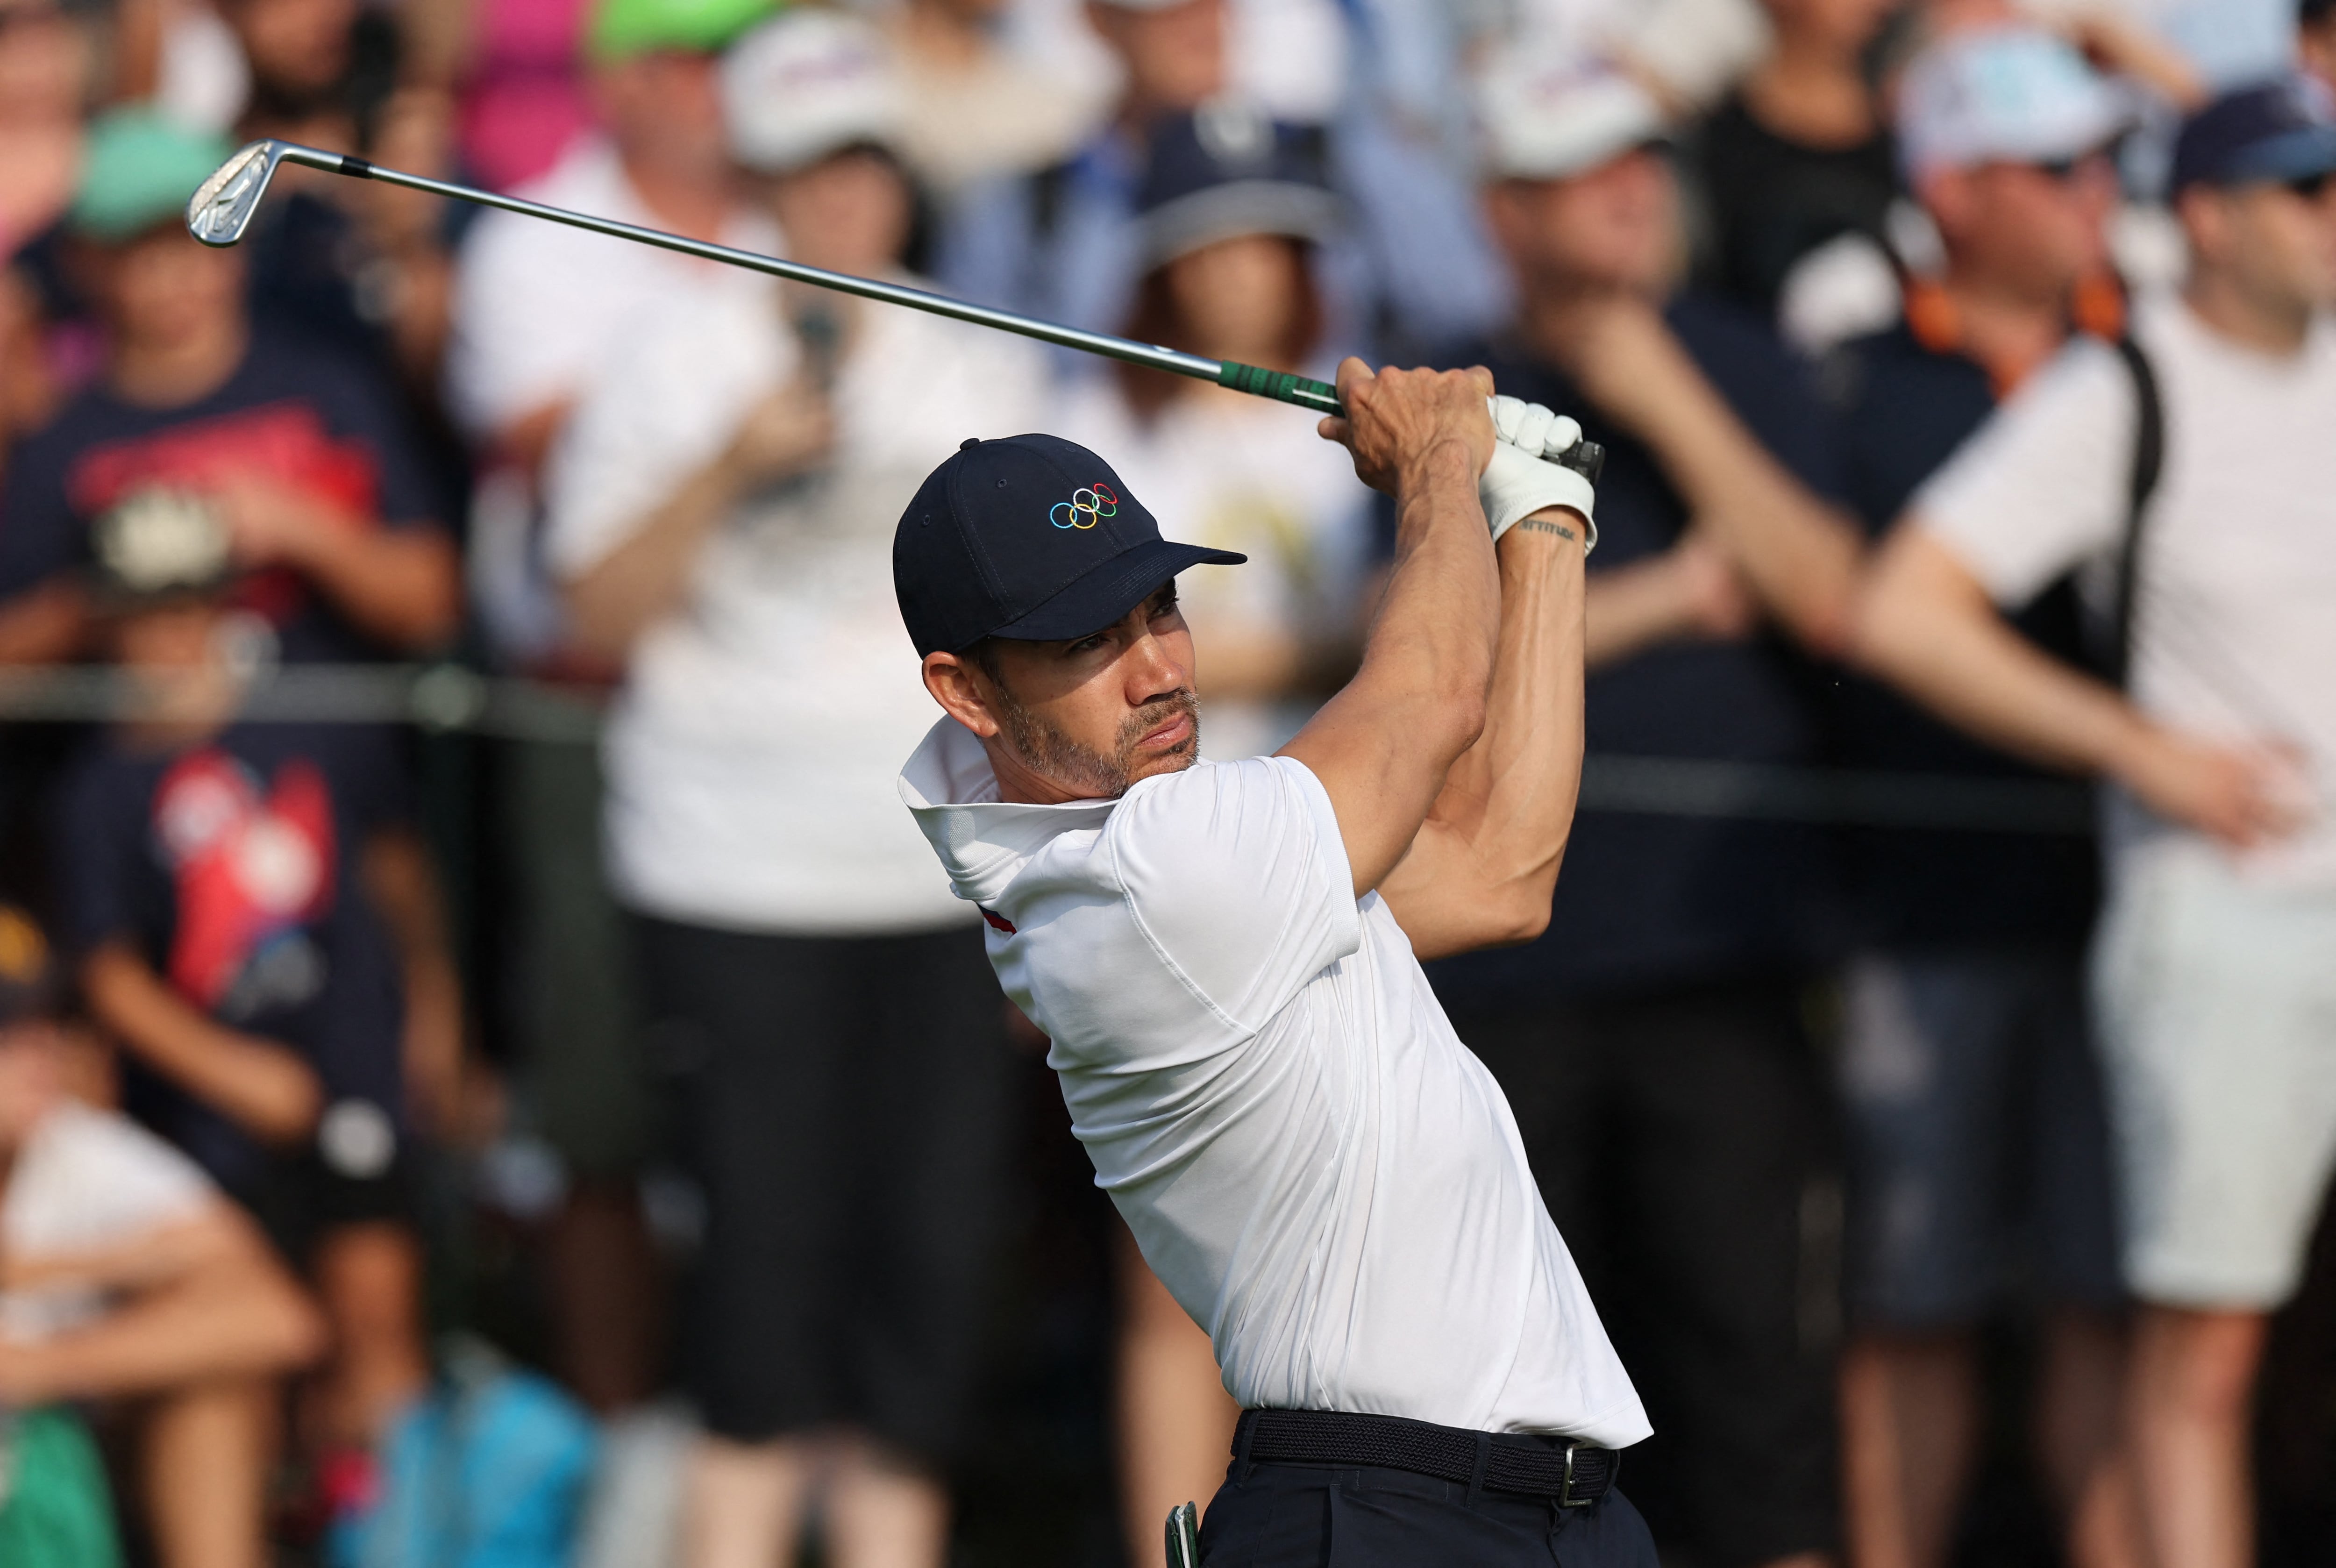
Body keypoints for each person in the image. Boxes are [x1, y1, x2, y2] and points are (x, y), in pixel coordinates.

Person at [897, 356, 1653, 1565]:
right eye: (1087, 642)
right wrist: (1440, 459)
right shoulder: (1154, 874)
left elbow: (1496, 869)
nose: (1161, 670)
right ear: (966, 690)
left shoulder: (1170, 863)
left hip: (1536, 1512)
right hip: (1381, 1516)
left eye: (1161, 609)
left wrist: (1541, 513)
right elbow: (1433, 693)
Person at [540, 14, 1047, 1566]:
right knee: (761, 1274)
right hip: (730, 871)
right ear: (757, 177)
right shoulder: (671, 361)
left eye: (867, 163)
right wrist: (724, 469)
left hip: (933, 871)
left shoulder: (979, 359)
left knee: (931, 1273)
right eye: (812, 166)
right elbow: (591, 614)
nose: (843, 198)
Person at [1852, 78, 2336, 1568]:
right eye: (2303, 189)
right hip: (2224, 913)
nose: (2332, 216)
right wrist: (2141, 750)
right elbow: (1901, 607)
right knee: (2198, 1358)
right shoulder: (2121, 387)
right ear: (2203, 215)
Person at [1429, 55, 1868, 1568]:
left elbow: (1825, 592)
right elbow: (1424, 652)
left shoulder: (1738, 359)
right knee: (1512, 1400)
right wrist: (1678, 594)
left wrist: (1658, 396)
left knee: (1756, 1380)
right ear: (1500, 210)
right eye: (1577, 168)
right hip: (1499, 966)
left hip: (1723, 956)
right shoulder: (1446, 383)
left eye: (1639, 158)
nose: (1628, 189)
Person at [1824, 29, 2139, 1568]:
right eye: (2061, 165)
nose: (2103, 187)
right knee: (1915, 1299)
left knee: (2114, 1297)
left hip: (2137, 900)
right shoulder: (1862, 386)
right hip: (1920, 914)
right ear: (1953, 191)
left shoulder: (2160, 349)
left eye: (2104, 157)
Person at [1040, 104, 1368, 1559]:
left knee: (1338, 1276)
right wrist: (1297, 647)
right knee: (1169, 1275)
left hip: (1346, 884)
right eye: (1207, 246)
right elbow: (1087, 683)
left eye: (1265, 241)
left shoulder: (1344, 435)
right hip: (1159, 897)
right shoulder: (1105, 433)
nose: (1238, 275)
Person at [441, 0, 776, 1416]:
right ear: (631, 79)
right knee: (596, 1097)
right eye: (701, 54)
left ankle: (766, 1415)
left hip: (771, 706)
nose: (726, 86)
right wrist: (739, 422)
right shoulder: (534, 237)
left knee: (771, 1092)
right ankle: (626, 1423)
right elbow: (548, 440)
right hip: (591, 714)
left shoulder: (784, 223)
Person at [47, 498, 457, 1511]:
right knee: (250, 1349)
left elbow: (398, 873)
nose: (167, 639)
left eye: (185, 608)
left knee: (374, 1315)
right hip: (201, 1110)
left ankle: (390, 1534)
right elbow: (108, 977)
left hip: (354, 1060)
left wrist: (440, 1014)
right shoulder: (94, 787)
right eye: (142, 614)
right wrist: (233, 1074)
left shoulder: (316, 712)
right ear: (107, 622)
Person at [0, 110, 462, 669]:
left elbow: (433, 603)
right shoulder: (61, 444)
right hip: (139, 750)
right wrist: (118, 589)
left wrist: (300, 529)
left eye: (200, 235)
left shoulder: (327, 388)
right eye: (141, 248)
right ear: (85, 262)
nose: (174, 274)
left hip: (325, 735)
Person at [0, 903, 327, 1568]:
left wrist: (41, 1356)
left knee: (209, 1399)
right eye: (8, 1031)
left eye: (48, 1022)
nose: (42, 1050)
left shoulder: (71, 1148)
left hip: (50, 1465)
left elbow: (278, 1315)